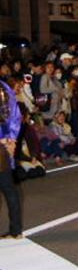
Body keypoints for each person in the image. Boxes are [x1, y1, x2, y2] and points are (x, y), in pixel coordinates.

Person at [0, 78, 23, 239]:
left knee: (8, 188)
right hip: (6, 145)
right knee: (9, 188)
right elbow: (16, 115)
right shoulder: (4, 87)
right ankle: (16, 230)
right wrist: (11, 139)